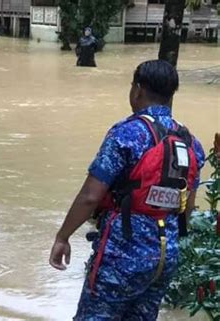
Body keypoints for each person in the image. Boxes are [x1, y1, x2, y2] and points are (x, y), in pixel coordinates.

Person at [49, 60, 205, 320]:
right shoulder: (191, 143)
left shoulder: (127, 134)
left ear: (138, 90)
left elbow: (90, 196)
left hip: (122, 255)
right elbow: (186, 208)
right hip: (165, 259)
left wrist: (62, 237)